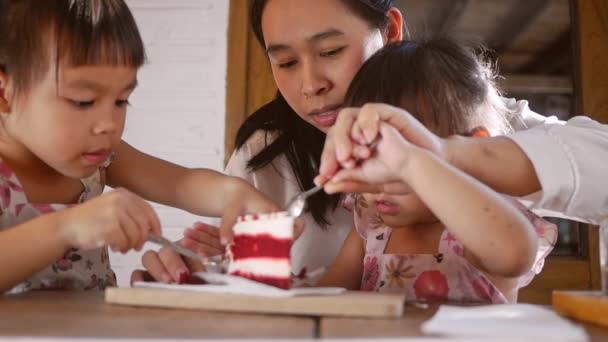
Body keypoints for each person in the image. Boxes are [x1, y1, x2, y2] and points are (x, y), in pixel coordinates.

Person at [137, 0, 608, 285]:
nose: (311, 84)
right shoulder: (267, 155)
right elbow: (281, 293)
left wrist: (447, 157)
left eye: (330, 52)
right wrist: (211, 272)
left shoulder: (482, 122)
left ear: (391, 32)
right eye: (285, 62)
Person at [0, 0, 276, 294]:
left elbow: (179, 183)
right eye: (83, 101)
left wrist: (236, 193)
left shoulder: (99, 161)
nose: (108, 123)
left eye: (121, 100)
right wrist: (66, 228)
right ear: (5, 94)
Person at [317, 38, 557, 303]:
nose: (382, 182)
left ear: (470, 148)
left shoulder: (478, 226)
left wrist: (410, 162)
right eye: (371, 156)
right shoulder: (373, 227)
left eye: (399, 155)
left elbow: (515, 254)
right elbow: (324, 299)